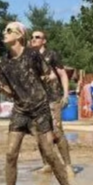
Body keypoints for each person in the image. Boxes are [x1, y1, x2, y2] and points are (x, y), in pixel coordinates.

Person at [0, 21, 77, 185]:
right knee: (10, 154)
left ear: (19, 36)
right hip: (20, 110)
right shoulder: (3, 62)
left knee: (49, 153)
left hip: (40, 109)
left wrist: (50, 88)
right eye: (4, 30)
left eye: (9, 30)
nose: (4, 33)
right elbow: (8, 90)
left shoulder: (32, 55)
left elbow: (50, 74)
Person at [30, 30, 73, 172]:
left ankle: (67, 165)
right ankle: (47, 164)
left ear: (44, 41)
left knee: (57, 131)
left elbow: (63, 74)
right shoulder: (29, 57)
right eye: (32, 37)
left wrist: (66, 94)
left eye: (38, 37)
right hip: (37, 101)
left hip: (53, 97)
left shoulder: (51, 55)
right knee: (40, 134)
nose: (34, 39)